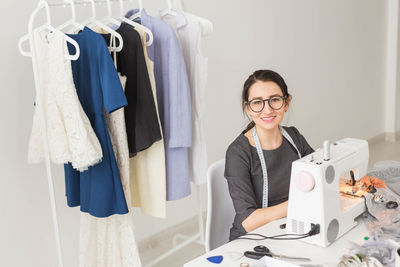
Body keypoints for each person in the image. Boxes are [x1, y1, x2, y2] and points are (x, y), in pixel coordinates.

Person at [224, 69, 314, 241]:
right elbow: (249, 221)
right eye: (257, 102)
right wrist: (301, 203)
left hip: (290, 226)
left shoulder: (294, 137)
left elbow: (319, 176)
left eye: (274, 100)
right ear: (248, 108)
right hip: (253, 239)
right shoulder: (238, 153)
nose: (267, 109)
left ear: (286, 103)